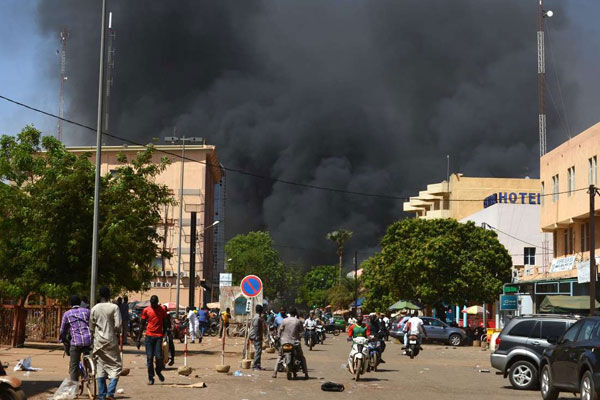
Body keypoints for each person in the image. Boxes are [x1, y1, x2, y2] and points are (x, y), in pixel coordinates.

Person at [90, 286, 122, 400]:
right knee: (116, 366)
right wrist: (116, 331)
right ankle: (110, 393)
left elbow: (91, 327)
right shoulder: (114, 307)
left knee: (100, 367)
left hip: (98, 341)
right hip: (111, 340)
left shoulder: (94, 308)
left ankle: (102, 395)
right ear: (109, 295)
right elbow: (118, 325)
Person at [59, 295, 92, 383]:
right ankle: (89, 369)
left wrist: (61, 338)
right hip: (88, 340)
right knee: (88, 353)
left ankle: (75, 388)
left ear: (71, 303)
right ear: (80, 303)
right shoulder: (87, 311)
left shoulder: (67, 314)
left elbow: (62, 330)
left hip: (76, 342)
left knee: (73, 365)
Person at [137, 295, 168, 385]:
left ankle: (158, 371)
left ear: (157, 302)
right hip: (149, 337)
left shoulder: (162, 310)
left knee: (159, 357)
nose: (153, 305)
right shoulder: (146, 310)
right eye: (152, 303)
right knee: (149, 358)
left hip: (158, 336)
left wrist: (165, 334)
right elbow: (142, 325)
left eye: (155, 303)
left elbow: (165, 322)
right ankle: (151, 377)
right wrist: (138, 339)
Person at [272, 308, 308, 379]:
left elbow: (279, 331)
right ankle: (306, 373)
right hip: (295, 342)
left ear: (289, 313)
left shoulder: (284, 321)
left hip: (284, 342)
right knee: (301, 357)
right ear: (295, 314)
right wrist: (299, 336)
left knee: (279, 356)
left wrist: (278, 337)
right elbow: (302, 332)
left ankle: (275, 373)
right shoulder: (298, 321)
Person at [250, 304, 265, 370]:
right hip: (256, 336)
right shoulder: (257, 318)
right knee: (258, 351)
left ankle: (258, 365)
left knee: (259, 351)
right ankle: (255, 365)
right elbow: (256, 328)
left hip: (256, 336)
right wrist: (257, 337)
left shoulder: (257, 317)